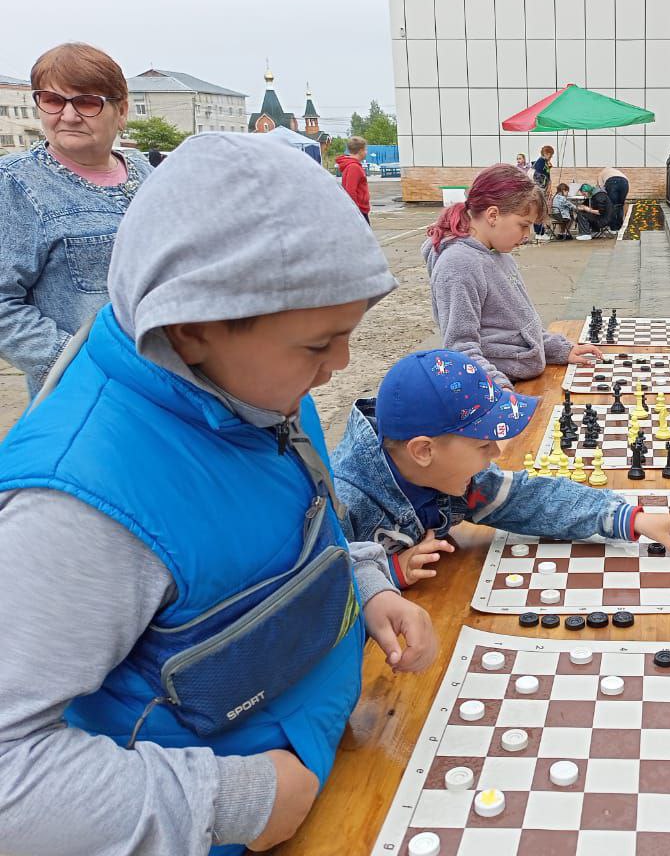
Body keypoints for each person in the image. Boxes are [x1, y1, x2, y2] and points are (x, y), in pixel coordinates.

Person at [0, 133, 438, 856]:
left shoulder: (250, 381)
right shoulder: (75, 506)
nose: (342, 365)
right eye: (318, 343)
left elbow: (299, 521)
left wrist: (364, 579)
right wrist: (234, 802)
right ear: (193, 326)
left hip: (337, 754)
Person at [332, 349, 670, 585]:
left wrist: (633, 519)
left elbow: (531, 500)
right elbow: (315, 596)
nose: (496, 453)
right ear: (423, 451)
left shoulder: (457, 478)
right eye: (483, 444)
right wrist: (389, 575)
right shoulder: (343, 500)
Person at [0, 42, 152, 397]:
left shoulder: (145, 173)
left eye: (86, 102)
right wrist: (80, 365)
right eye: (53, 100)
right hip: (89, 395)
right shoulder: (15, 184)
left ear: (122, 111)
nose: (68, 116)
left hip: (165, 384)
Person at [423, 163, 601, 391]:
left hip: (523, 377)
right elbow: (461, 350)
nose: (527, 236)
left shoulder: (499, 254)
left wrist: (561, 349)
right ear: (493, 215)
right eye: (523, 225)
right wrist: (501, 392)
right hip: (499, 391)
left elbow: (518, 328)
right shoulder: (458, 264)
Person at [336, 135, 371, 222]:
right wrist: (356, 212)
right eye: (365, 149)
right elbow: (350, 191)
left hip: (359, 210)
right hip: (359, 211)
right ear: (360, 151)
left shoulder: (353, 166)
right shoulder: (353, 167)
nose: (366, 152)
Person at [598, 165, 629, 232]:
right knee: (620, 205)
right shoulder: (617, 171)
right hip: (625, 183)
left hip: (612, 182)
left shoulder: (601, 173)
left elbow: (601, 187)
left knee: (612, 206)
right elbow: (627, 181)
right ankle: (620, 227)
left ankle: (614, 228)